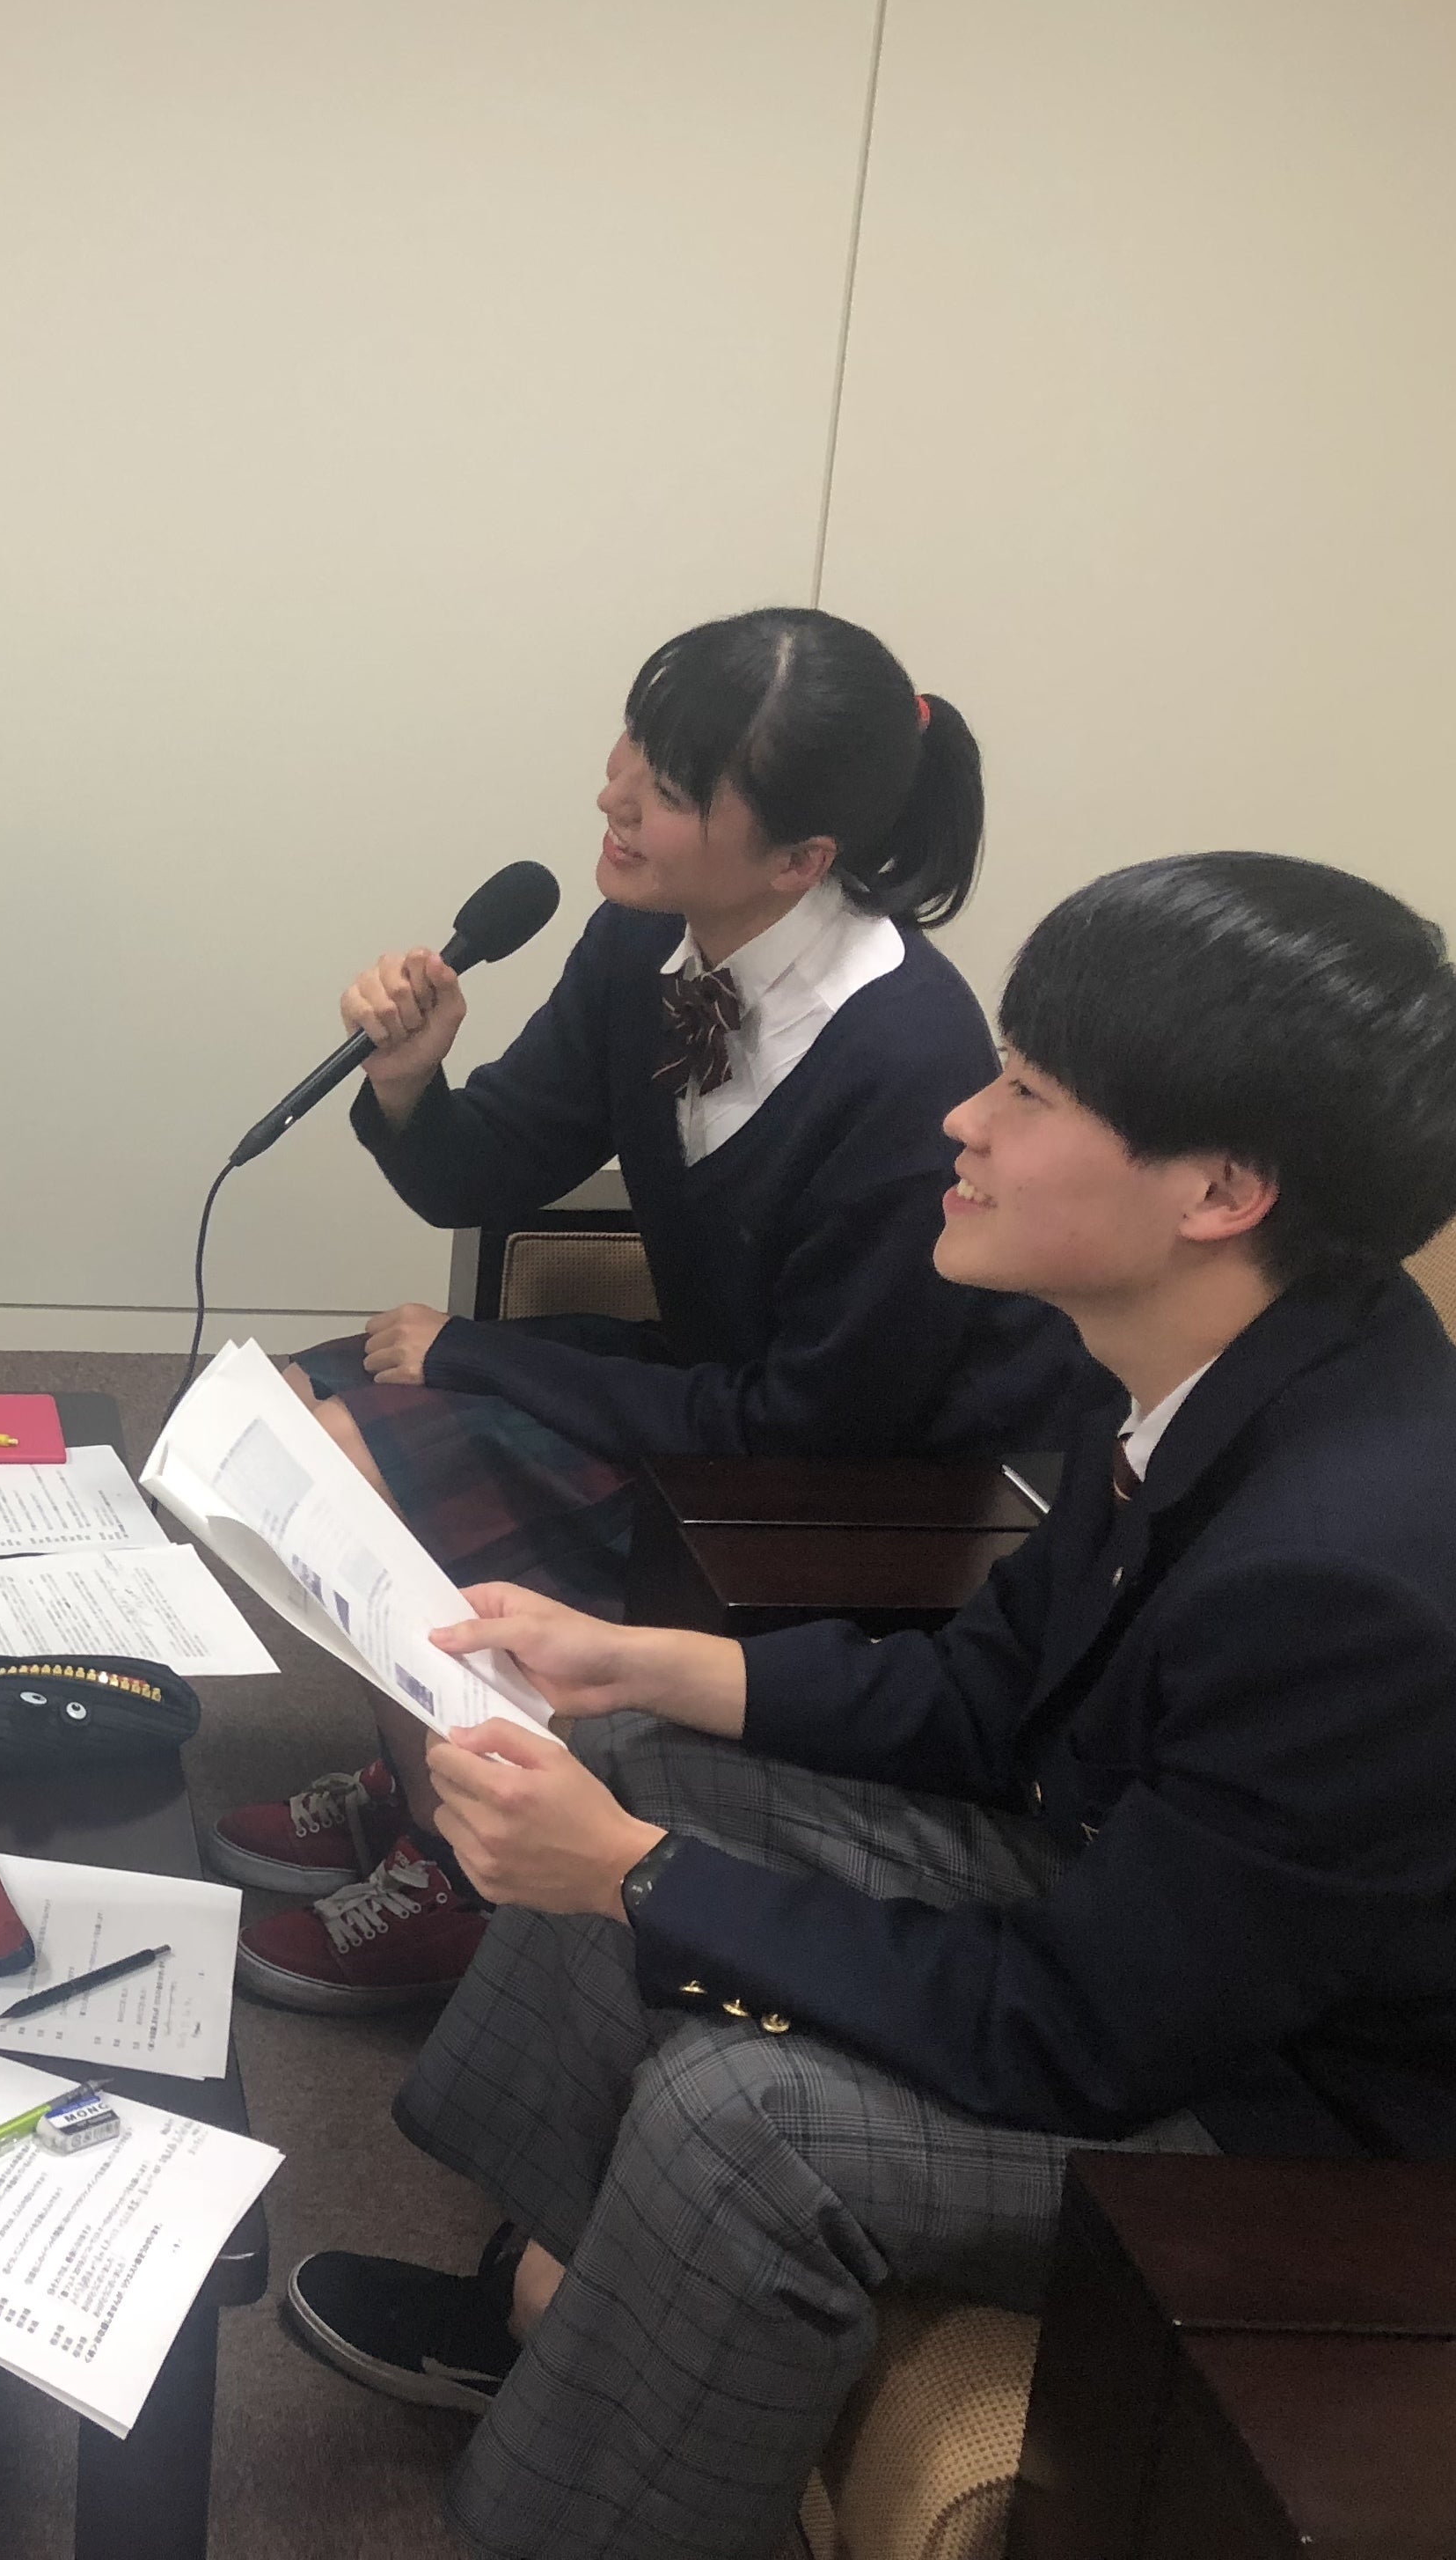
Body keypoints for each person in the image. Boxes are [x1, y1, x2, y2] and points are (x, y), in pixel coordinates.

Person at [282, 853, 1456, 2560]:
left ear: (1221, 1189)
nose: (964, 1122)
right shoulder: (1218, 1358)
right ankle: (552, 2319)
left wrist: (633, 1875)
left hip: (1307, 2113)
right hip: (1150, 1919)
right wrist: (639, 1659)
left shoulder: (1353, 1573)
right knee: (628, 1749)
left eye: (1029, 1094)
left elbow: (1079, 2030)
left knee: (740, 2123)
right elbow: (991, 1688)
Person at [216, 608, 1108, 2014]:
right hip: (725, 1391)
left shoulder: (903, 1056)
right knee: (284, 1420)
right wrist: (412, 1079)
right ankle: (419, 1779)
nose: (614, 794)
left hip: (865, 1485)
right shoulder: (645, 941)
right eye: (633, 744)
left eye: (672, 785)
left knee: (353, 1450)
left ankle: (464, 1872)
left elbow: (811, 1423)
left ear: (800, 860)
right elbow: (482, 1173)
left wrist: (478, 1356)